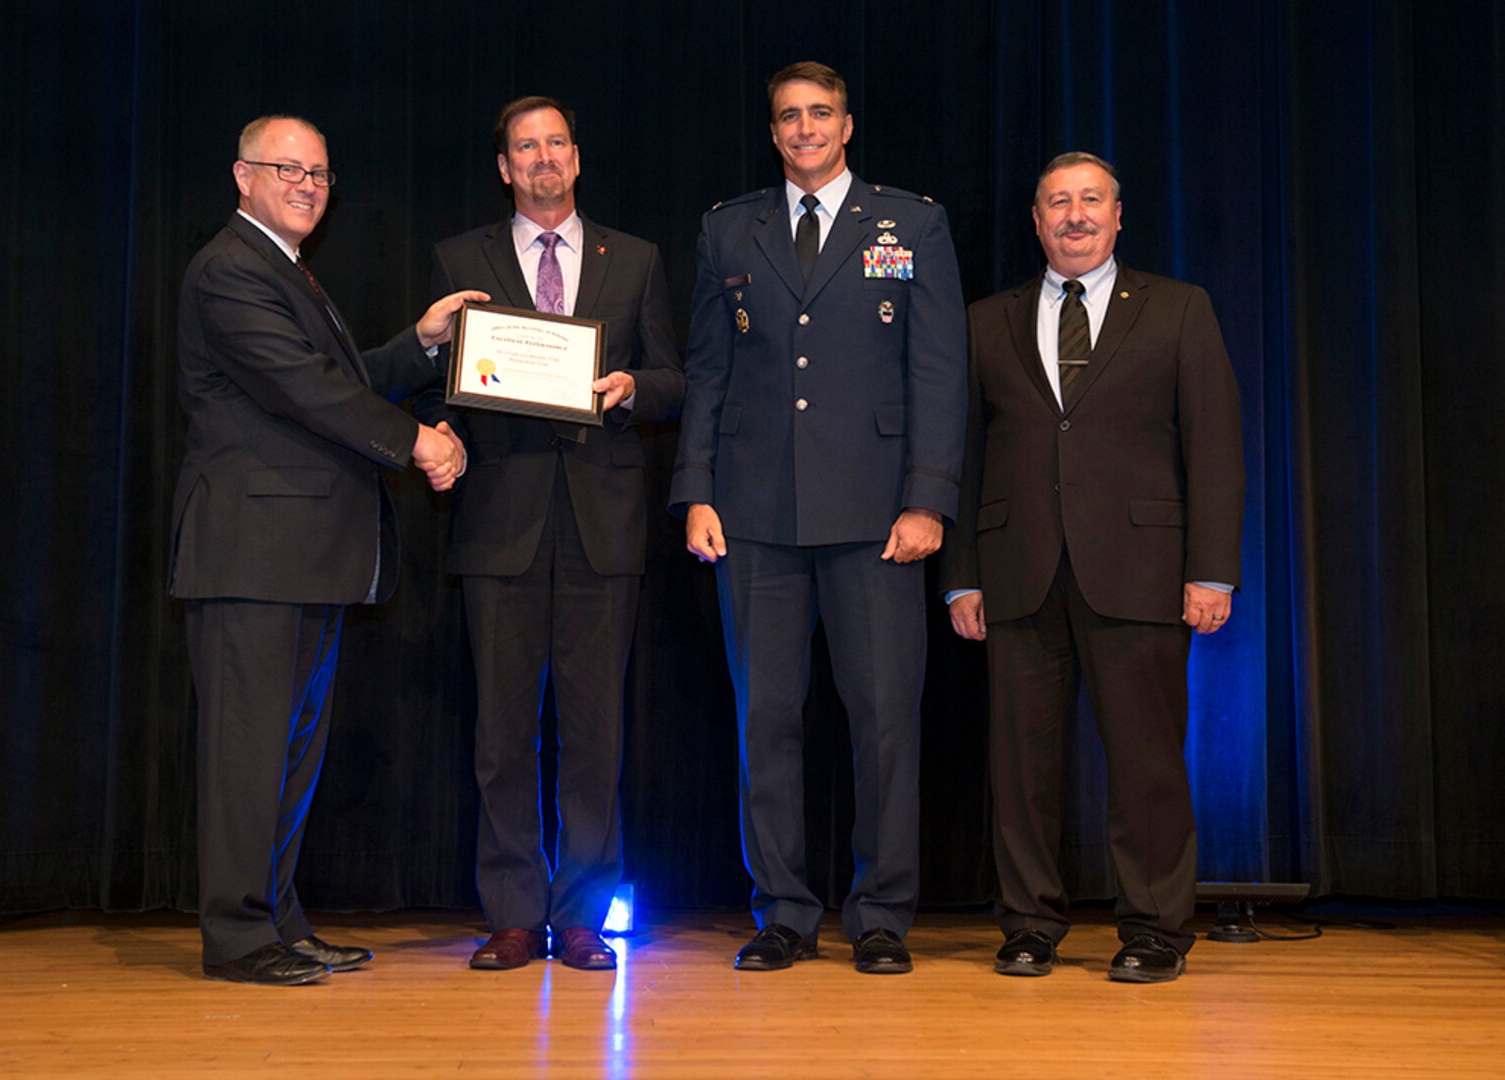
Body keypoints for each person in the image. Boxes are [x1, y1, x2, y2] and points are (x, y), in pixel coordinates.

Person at [170, 115, 485, 986]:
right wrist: (418, 441)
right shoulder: (231, 269)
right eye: (288, 169)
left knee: (286, 755)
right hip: (252, 554)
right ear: (243, 176)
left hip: (301, 556)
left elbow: (333, 381)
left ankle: (277, 919)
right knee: (248, 756)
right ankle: (237, 938)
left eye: (320, 173)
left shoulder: (284, 270)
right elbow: (307, 391)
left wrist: (418, 344)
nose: (308, 184)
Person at [669, 62, 966, 975]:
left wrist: (927, 498)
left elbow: (939, 371)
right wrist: (696, 489)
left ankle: (880, 913)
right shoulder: (730, 228)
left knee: (883, 720)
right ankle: (785, 911)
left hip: (876, 512)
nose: (805, 129)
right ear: (774, 132)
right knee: (767, 721)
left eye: (820, 114)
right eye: (789, 117)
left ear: (848, 125)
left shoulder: (910, 221)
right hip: (755, 511)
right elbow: (709, 371)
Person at [942, 151, 1245, 983]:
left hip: (1143, 568)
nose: (1074, 216)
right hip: (1015, 570)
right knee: (1020, 767)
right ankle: (1030, 924)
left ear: (1119, 216)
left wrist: (1211, 571)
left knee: (1148, 761)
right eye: (1056, 204)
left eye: (1090, 201)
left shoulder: (1181, 310)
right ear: (1035, 222)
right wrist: (961, 574)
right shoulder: (983, 320)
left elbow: (1215, 449)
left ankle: (1153, 928)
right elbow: (961, 456)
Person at [417, 96, 684, 972]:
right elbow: (440, 388)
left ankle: (580, 915)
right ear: (504, 167)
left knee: (595, 732)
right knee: (502, 734)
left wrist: (632, 389)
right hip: (500, 525)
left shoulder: (635, 259)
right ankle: (512, 914)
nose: (543, 159)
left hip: (603, 526)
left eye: (557, 143)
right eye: (525, 147)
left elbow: (676, 380)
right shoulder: (462, 259)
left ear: (578, 158)